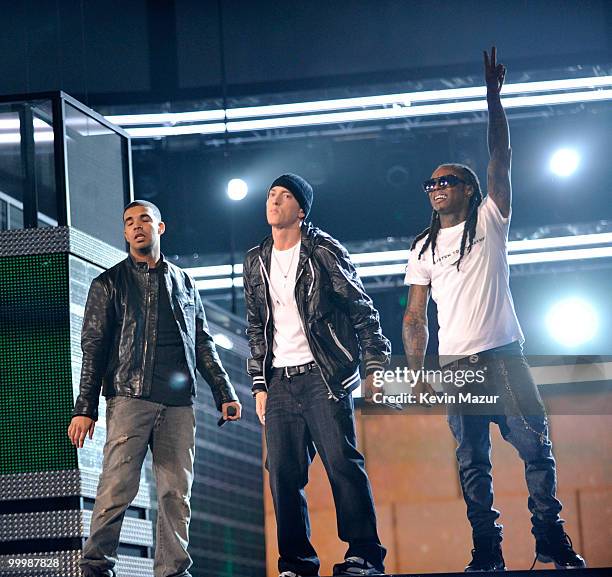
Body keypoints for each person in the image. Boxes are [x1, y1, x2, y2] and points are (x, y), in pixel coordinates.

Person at [401, 48, 586, 572]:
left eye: (446, 181)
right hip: (456, 367)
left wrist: (493, 98)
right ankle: (487, 551)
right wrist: (418, 372)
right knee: (472, 463)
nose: (437, 189)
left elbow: (500, 153)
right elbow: (415, 316)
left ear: (468, 187)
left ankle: (550, 538)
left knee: (535, 450)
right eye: (430, 184)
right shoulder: (421, 247)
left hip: (504, 356)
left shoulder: (490, 217)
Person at [68, 200, 241, 577]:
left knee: (175, 495)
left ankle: (172, 571)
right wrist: (85, 407)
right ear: (126, 232)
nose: (136, 227)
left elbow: (202, 341)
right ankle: (95, 567)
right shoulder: (109, 282)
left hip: (179, 406)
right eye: (129, 222)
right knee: (116, 490)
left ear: (160, 228)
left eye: (144, 219)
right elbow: (92, 346)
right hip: (129, 398)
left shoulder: (184, 281)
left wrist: (224, 391)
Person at [243, 174, 390, 577]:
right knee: (283, 476)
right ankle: (296, 563)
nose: (274, 200)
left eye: (284, 195)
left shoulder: (323, 250)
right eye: (271, 194)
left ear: (301, 209)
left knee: (342, 463)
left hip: (323, 376)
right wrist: (259, 383)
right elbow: (256, 325)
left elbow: (362, 310)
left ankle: (364, 553)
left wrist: (373, 365)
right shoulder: (255, 259)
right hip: (279, 382)